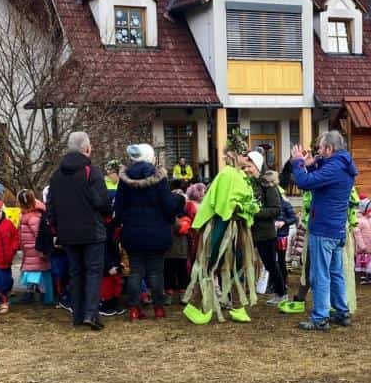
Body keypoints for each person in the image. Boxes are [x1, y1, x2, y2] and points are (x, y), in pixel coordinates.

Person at [290, 130, 358, 332]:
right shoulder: (342, 164)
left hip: (324, 229)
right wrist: (313, 163)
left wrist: (298, 163)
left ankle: (320, 317)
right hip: (336, 229)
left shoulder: (335, 168)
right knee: (336, 273)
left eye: (320, 148)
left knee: (320, 275)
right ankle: (341, 312)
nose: (317, 151)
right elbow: (323, 173)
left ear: (329, 149)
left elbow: (305, 182)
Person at [183, 150, 259, 325]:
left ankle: (238, 307)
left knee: (237, 263)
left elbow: (245, 200)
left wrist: (249, 208)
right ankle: (202, 308)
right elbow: (223, 205)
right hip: (222, 226)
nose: (247, 159)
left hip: (237, 228)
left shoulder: (240, 175)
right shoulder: (226, 174)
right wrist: (239, 206)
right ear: (233, 154)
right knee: (210, 263)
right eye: (244, 155)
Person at [46, 131, 112, 330]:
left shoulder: (56, 176)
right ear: (87, 148)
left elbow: (51, 206)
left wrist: (56, 229)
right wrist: (107, 215)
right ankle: (91, 314)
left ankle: (77, 315)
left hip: (67, 232)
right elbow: (102, 202)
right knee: (93, 272)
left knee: (75, 272)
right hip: (92, 231)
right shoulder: (92, 172)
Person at [113, 143, 178, 321]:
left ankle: (134, 309)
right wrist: (172, 219)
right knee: (156, 272)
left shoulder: (124, 181)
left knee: (135, 272)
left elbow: (118, 209)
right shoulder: (160, 178)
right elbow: (169, 207)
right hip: (157, 233)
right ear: (150, 157)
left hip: (133, 233)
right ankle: (158, 309)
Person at [248, 151, 288, 306]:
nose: (247, 168)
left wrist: (255, 212)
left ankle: (281, 292)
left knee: (271, 264)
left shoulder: (268, 185)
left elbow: (275, 209)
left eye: (250, 165)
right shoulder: (249, 184)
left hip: (265, 233)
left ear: (257, 166)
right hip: (251, 233)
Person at [17, 189, 53, 305]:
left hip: (34, 250)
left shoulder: (32, 217)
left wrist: (41, 249)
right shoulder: (30, 214)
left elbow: (38, 233)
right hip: (30, 250)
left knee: (35, 273)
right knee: (33, 272)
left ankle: (38, 294)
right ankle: (34, 293)